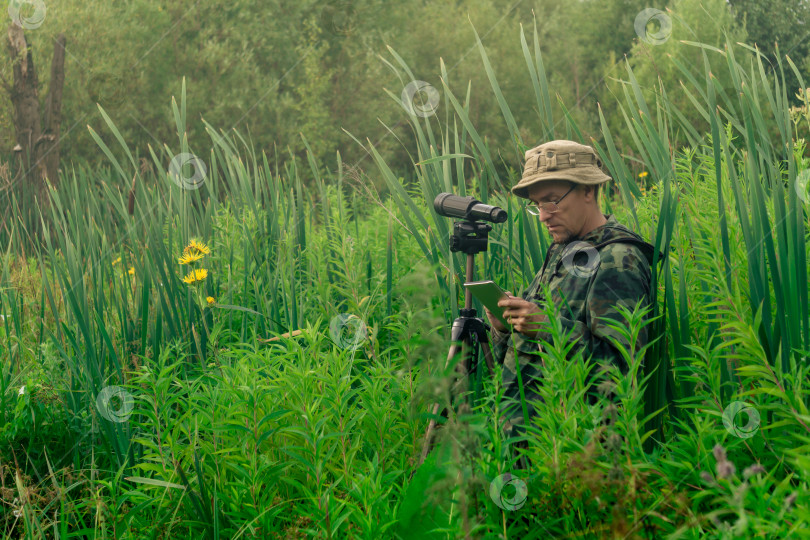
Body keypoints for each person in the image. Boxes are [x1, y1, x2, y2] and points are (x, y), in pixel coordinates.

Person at [484, 139, 655, 464]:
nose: (543, 216)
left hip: (576, 459)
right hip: (527, 449)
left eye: (552, 201)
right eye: (537, 205)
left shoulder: (619, 259)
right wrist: (505, 329)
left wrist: (549, 329)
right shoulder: (566, 249)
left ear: (588, 191)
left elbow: (619, 371)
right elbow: (526, 361)